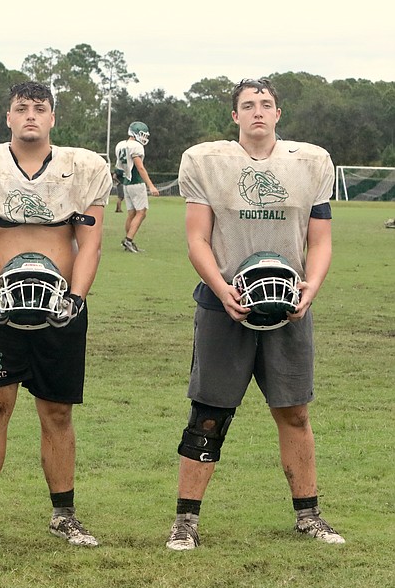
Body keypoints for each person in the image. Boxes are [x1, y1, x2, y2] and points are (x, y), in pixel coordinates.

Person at [165, 77, 342, 550]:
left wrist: (313, 288)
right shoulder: (209, 162)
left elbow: (320, 240)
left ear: (278, 114)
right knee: (208, 414)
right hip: (226, 304)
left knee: (295, 412)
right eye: (248, 105)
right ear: (235, 116)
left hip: (289, 304)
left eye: (266, 104)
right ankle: (186, 522)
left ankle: (309, 515)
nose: (258, 112)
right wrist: (222, 289)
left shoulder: (309, 163)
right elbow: (197, 239)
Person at [0, 81, 111, 547]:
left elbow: (90, 243)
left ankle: (64, 515)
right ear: (8, 118)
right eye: (22, 108)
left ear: (53, 118)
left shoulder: (84, 168)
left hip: (61, 306)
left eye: (40, 108)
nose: (31, 115)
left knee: (57, 412)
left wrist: (76, 298)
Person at [114, 121, 159, 252]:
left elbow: (119, 167)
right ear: (135, 133)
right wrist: (151, 185)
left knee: (131, 213)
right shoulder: (136, 147)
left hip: (127, 183)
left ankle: (128, 241)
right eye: (142, 135)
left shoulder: (121, 145)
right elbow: (139, 166)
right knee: (142, 212)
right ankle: (128, 240)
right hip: (136, 182)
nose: (144, 138)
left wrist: (119, 178)